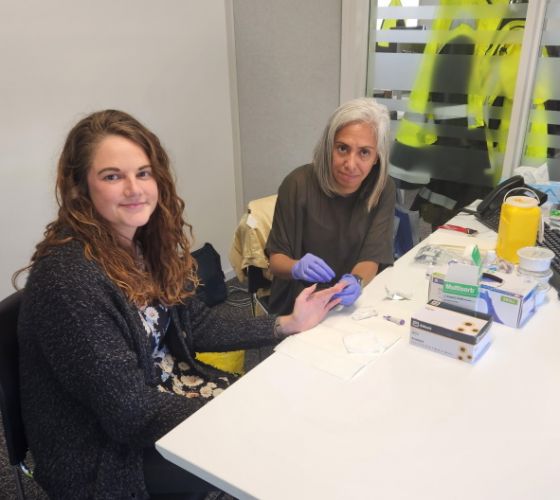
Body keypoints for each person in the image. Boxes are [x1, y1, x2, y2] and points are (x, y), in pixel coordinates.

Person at [15, 110, 344, 499]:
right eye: (112, 176)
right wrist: (236, 416)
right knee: (269, 448)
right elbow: (129, 415)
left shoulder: (142, 245)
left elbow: (199, 326)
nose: (135, 189)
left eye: (143, 173)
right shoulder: (69, 281)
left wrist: (285, 324)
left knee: (292, 412)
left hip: (162, 399)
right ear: (80, 188)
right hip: (104, 456)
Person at [266, 97, 396, 315]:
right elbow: (276, 262)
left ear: (377, 157)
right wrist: (296, 267)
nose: (351, 164)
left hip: (351, 300)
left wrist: (355, 281)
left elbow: (372, 256)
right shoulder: (297, 184)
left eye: (364, 152)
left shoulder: (382, 188)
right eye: (342, 148)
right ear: (329, 147)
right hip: (300, 301)